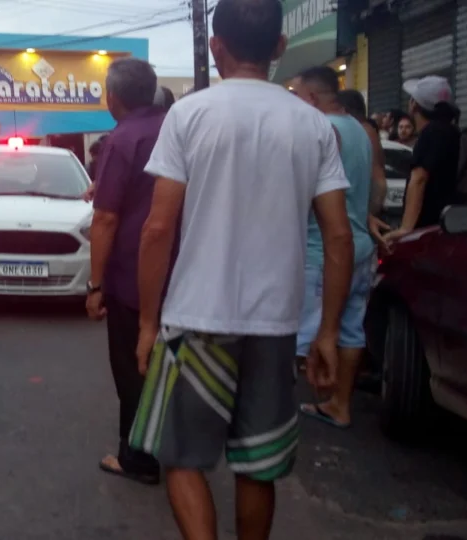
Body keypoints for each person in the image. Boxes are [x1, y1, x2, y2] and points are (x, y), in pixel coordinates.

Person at [136, 1, 353, 538]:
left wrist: (146, 323)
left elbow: (158, 228)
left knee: (181, 457)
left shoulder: (189, 115)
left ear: (216, 47)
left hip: (196, 319)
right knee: (259, 464)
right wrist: (328, 331)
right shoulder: (313, 125)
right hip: (276, 324)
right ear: (279, 46)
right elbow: (338, 235)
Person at [84, 57, 167, 486]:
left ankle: (137, 455)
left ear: (111, 96)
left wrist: (95, 285)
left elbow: (105, 218)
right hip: (180, 269)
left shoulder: (121, 140)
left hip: (132, 274)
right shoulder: (175, 128)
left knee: (133, 363)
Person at [293, 67, 375, 430]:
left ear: (312, 98)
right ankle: (340, 404)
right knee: (352, 329)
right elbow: (371, 186)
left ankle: (274, 417)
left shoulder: (323, 131)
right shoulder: (360, 129)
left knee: (302, 338)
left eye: (297, 96)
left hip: (323, 250)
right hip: (361, 247)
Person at [380, 76, 462, 245]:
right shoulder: (450, 131)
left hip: (426, 229)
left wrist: (405, 228)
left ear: (414, 104)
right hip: (444, 224)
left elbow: (419, 179)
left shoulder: (432, 132)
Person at [337, 89, 389, 247]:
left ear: (343, 110)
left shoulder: (362, 131)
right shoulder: (367, 131)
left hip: (353, 228)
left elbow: (379, 182)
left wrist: (367, 216)